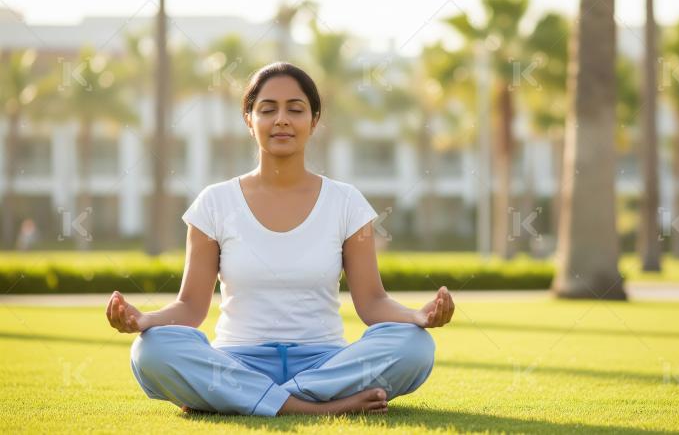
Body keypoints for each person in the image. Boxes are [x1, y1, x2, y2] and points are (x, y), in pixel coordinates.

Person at [105, 62, 455, 417]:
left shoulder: (346, 202)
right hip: (238, 361)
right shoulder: (214, 202)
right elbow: (191, 308)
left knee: (414, 346)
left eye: (296, 109)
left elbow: (373, 302)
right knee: (151, 350)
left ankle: (246, 399)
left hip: (324, 364)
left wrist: (417, 316)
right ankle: (314, 407)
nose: (282, 119)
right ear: (249, 120)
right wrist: (145, 320)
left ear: (314, 121)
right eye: (268, 109)